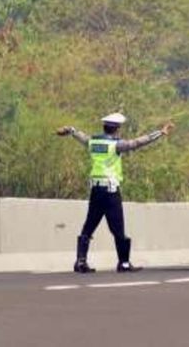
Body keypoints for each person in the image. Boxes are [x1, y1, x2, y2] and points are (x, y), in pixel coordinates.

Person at [57, 113, 174, 273]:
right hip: (111, 191)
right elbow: (138, 142)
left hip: (96, 190)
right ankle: (124, 263)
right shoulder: (116, 145)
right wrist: (160, 132)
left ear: (104, 127)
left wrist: (70, 129)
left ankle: (80, 262)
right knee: (118, 228)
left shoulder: (93, 142)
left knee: (89, 225)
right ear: (117, 129)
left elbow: (81, 136)